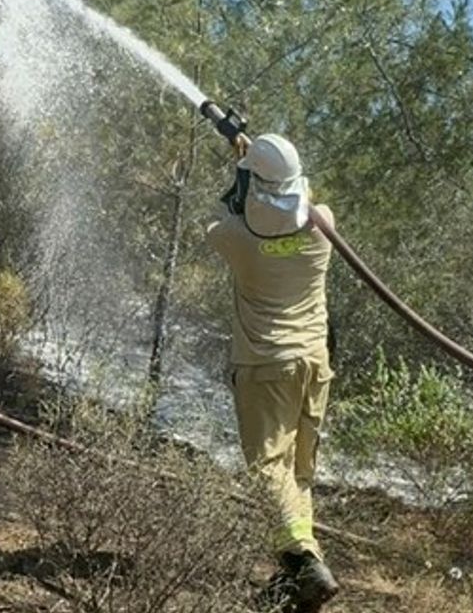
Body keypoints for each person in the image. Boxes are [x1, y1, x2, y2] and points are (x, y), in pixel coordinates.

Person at [206, 133, 340, 612]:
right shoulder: (324, 225)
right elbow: (295, 208)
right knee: (297, 472)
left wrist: (240, 171)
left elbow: (231, 215)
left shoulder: (233, 240)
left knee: (267, 466)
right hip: (313, 366)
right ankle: (302, 575)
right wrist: (258, 168)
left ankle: (302, 559)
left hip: (265, 366)